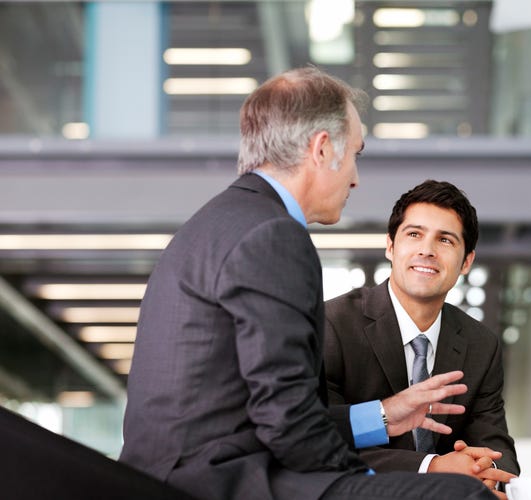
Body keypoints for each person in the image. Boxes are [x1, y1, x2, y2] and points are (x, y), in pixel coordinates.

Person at [119, 68, 495, 500]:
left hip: (184, 473)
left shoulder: (219, 223)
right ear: (322, 148)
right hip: (221, 482)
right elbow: (286, 421)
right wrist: (374, 485)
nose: (355, 177)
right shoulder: (273, 235)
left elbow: (274, 410)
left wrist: (386, 415)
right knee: (462, 497)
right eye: (355, 153)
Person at [324, 180, 519, 495]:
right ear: (390, 246)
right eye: (414, 234)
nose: (427, 250)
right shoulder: (332, 326)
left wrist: (486, 469)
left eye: (445, 240)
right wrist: (433, 466)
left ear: (466, 261)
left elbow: (494, 440)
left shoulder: (480, 343)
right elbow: (322, 440)